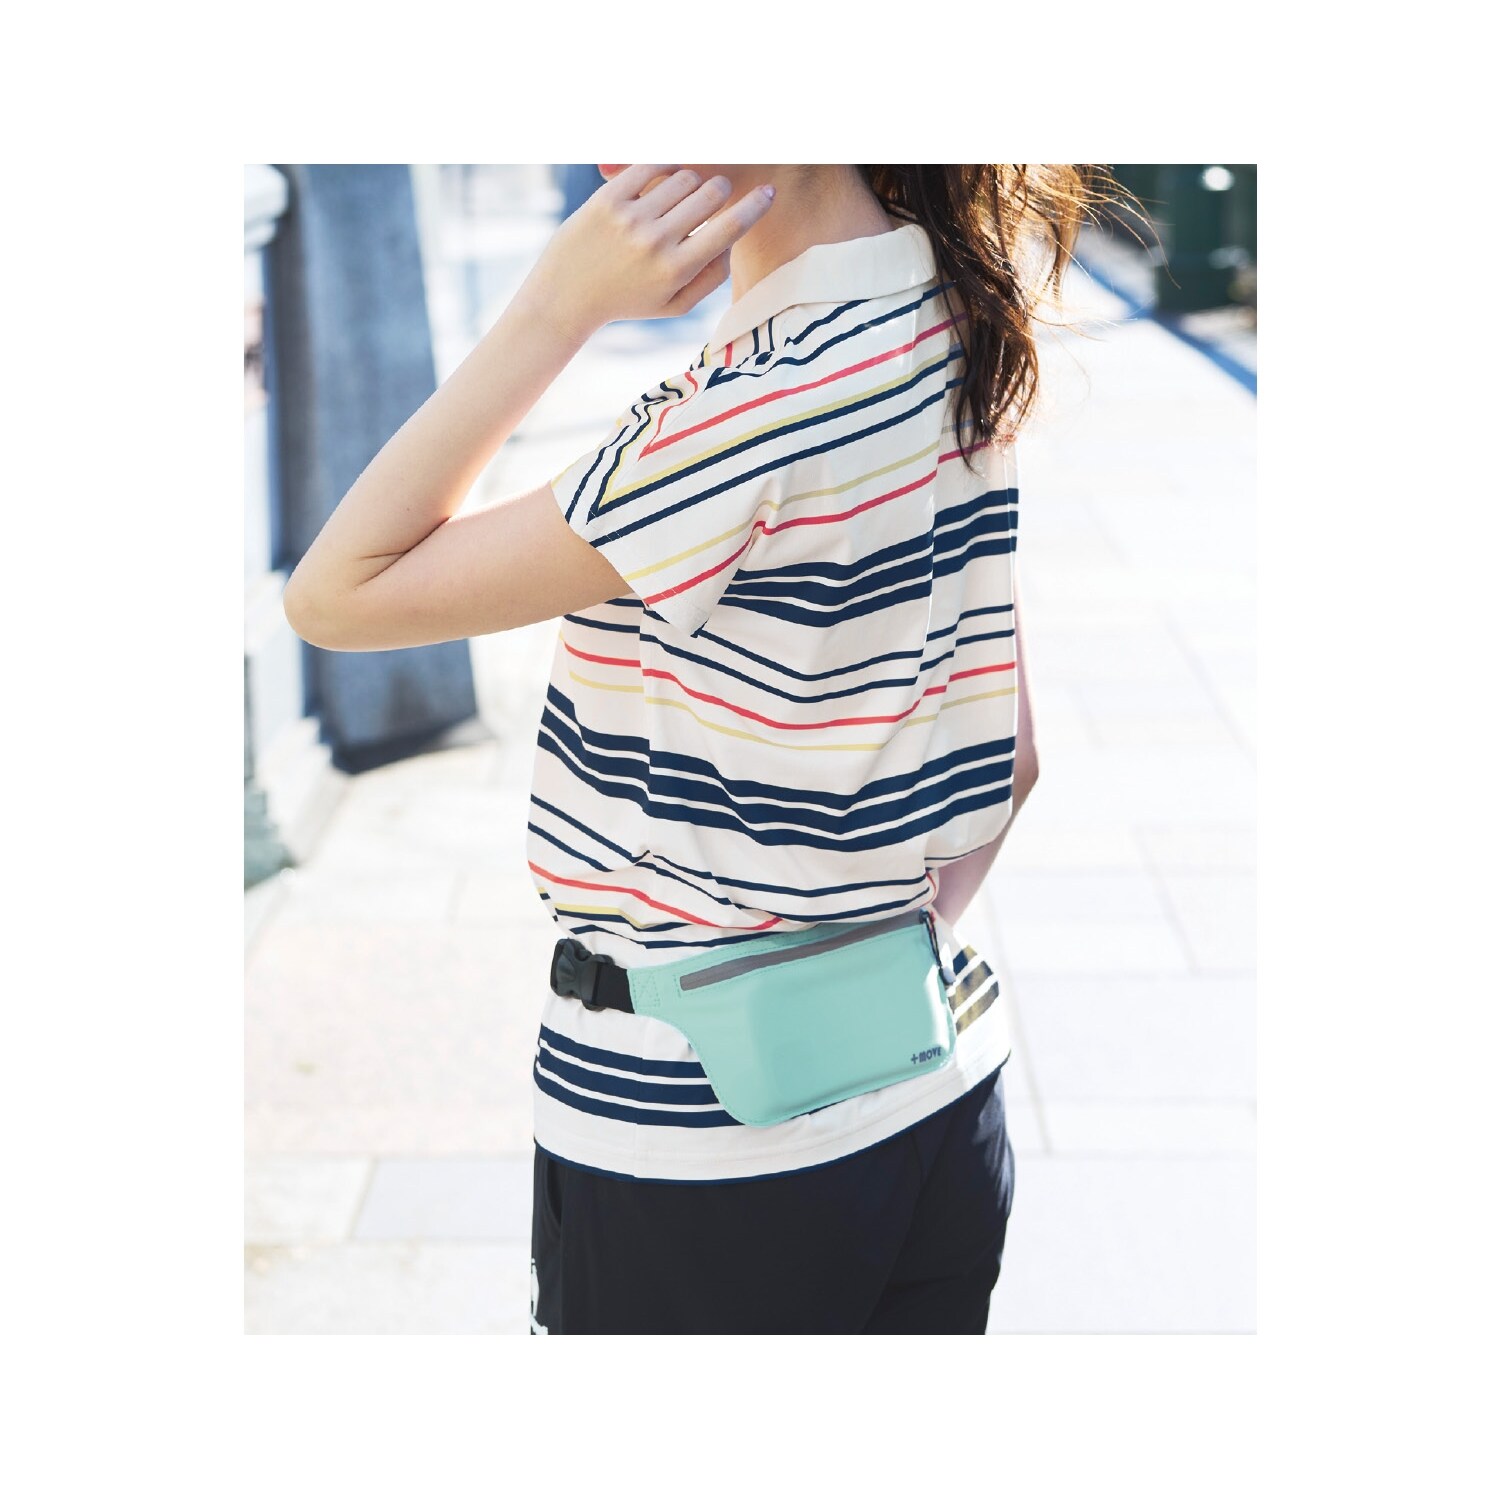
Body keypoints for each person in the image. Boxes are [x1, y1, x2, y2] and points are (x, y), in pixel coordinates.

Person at [284, 162, 1109, 1334]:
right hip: (937, 1095)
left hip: (702, 1144)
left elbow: (337, 592)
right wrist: (850, 954)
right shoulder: (953, 313)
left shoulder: (745, 413)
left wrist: (554, 308)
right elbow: (1012, 756)